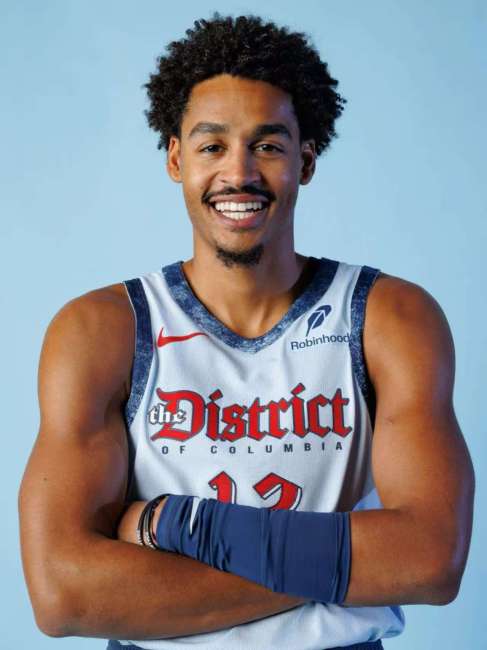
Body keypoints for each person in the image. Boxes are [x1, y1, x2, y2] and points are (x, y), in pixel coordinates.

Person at [19, 13, 474, 650]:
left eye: (268, 146)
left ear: (305, 161)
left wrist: (179, 526)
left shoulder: (389, 317)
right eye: (212, 146)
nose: (239, 174)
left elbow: (430, 560)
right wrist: (339, 564)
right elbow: (63, 595)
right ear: (176, 159)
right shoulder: (103, 329)